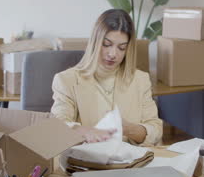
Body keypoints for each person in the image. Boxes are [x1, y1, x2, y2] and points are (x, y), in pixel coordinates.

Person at [51, 9, 162, 146]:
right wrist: (83, 131)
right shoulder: (66, 80)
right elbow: (58, 125)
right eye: (106, 44)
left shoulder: (140, 80)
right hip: (87, 163)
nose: (113, 54)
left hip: (131, 162)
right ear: (95, 43)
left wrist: (128, 129)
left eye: (121, 48)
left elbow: (155, 130)